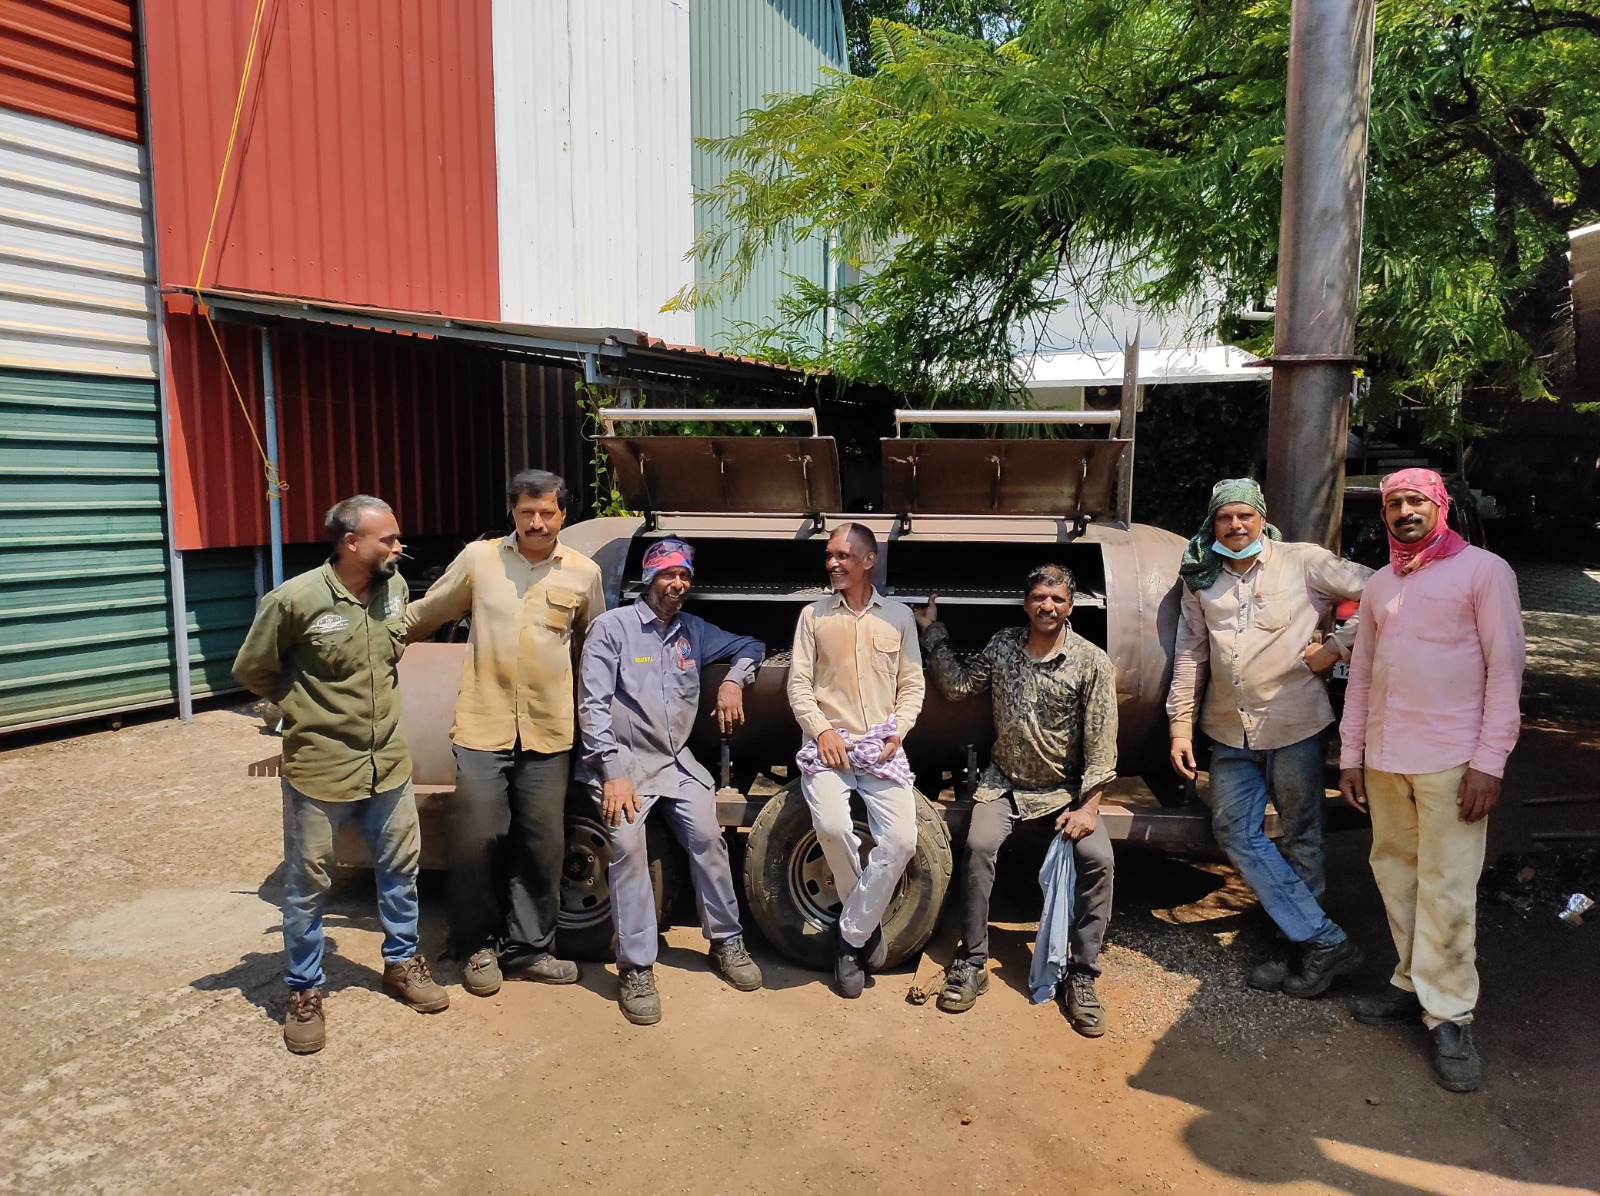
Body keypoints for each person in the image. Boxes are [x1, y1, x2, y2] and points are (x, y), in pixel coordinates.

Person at [234, 495, 449, 1054]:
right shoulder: (295, 600)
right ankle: (305, 989)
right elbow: (253, 668)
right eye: (388, 539)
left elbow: (390, 651)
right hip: (321, 767)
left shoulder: (394, 590)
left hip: (388, 761)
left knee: (400, 871)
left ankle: (401, 962)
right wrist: (303, 708)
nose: (399, 547)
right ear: (352, 543)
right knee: (308, 887)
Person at [1338, 468, 1524, 1093]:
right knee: (1395, 873)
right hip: (1386, 758)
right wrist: (1351, 755)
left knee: (1447, 887)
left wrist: (1490, 762)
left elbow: (1506, 670)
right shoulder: (1381, 583)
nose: (1404, 511)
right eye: (1394, 503)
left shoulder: (1483, 572)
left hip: (1453, 761)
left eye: (1416, 500)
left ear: (1440, 505)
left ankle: (1449, 1016)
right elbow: (1362, 675)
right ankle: (1411, 982)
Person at [1167, 477, 1373, 997]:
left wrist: (1336, 648)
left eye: (1245, 515)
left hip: (1295, 724)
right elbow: (1191, 652)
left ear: (1262, 518)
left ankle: (1297, 948)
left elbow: (1384, 592)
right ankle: (1322, 939)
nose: (1235, 525)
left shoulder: (1303, 561)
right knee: (1234, 829)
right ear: (1213, 522)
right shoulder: (1201, 575)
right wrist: (1179, 725)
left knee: (1302, 836)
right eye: (1225, 517)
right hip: (1227, 729)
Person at [406, 470, 606, 997]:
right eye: (526, 513)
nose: (536, 522)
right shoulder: (479, 560)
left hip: (549, 730)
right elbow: (427, 613)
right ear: (512, 513)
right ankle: (475, 946)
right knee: (477, 838)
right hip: (482, 724)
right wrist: (367, 637)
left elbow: (591, 649)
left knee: (542, 844)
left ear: (564, 515)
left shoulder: (583, 573)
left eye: (547, 513)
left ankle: (530, 950)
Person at [917, 565, 1119, 1036]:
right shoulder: (1003, 645)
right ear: (1026, 602)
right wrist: (932, 633)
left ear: (1070, 606)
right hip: (1004, 785)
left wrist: (1088, 808)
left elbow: (1102, 745)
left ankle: (1082, 975)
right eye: (1039, 597)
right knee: (979, 847)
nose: (1048, 606)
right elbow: (958, 686)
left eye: (1058, 599)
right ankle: (972, 960)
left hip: (1066, 792)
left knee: (1100, 860)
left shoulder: (1091, 662)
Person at [577, 539, 767, 1025]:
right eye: (668, 575)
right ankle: (636, 967)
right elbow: (592, 707)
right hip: (621, 764)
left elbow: (751, 645)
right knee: (628, 847)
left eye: (684, 576)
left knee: (708, 836)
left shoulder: (693, 631)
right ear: (649, 579)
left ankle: (726, 941)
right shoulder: (612, 628)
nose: (677, 584)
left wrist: (733, 681)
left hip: (675, 763)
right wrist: (612, 773)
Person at [787, 522, 925, 998]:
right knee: (831, 827)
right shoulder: (812, 616)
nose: (832, 562)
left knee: (903, 841)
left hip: (882, 749)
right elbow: (798, 686)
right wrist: (822, 730)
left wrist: (898, 729)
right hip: (828, 746)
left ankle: (849, 935)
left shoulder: (899, 617)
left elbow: (912, 683)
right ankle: (861, 932)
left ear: (869, 561)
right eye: (829, 555)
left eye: (843, 555)